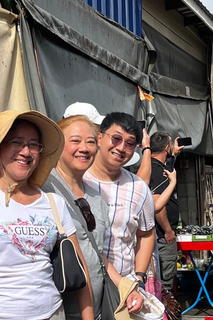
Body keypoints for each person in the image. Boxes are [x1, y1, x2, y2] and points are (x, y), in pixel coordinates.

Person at [0, 110, 94, 319]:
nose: (26, 151)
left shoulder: (54, 203)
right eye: (16, 142)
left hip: (53, 314)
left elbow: (81, 270)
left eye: (33, 144)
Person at [42, 115, 143, 319]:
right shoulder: (43, 190)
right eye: (75, 141)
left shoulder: (95, 197)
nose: (84, 148)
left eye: (90, 142)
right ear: (59, 144)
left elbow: (96, 254)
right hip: (58, 311)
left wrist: (128, 287)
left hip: (96, 309)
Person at [83, 112, 156, 287]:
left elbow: (146, 233)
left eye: (130, 144)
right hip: (82, 285)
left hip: (124, 287)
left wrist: (139, 276)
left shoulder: (139, 188)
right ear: (99, 138)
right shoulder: (78, 179)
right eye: (116, 139)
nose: (121, 148)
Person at [149, 131, 183, 292]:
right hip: (162, 236)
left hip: (155, 234)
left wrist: (173, 155)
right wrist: (168, 230)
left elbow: (167, 166)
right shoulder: (158, 171)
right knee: (166, 281)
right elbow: (157, 204)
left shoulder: (149, 166)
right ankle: (165, 314)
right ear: (167, 148)